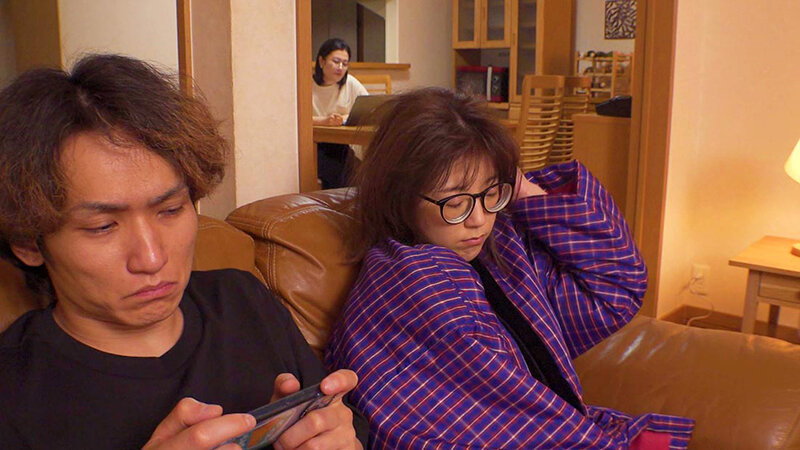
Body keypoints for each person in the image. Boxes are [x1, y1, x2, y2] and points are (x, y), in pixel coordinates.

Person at [0, 54, 367, 449]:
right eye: (102, 227)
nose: (152, 258)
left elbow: (331, 423)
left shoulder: (242, 298)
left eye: (171, 210)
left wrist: (339, 439)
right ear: (29, 241)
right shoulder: (13, 394)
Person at [325, 88, 695, 448]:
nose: (479, 220)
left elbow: (616, 288)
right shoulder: (409, 281)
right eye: (455, 202)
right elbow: (486, 423)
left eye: (491, 193)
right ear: (401, 195)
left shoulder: (499, 247)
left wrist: (521, 188)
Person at [312, 37, 368, 189]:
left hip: (343, 145)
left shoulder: (350, 82)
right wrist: (325, 121)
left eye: (345, 63)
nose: (340, 67)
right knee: (340, 167)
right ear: (322, 61)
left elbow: (369, 109)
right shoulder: (307, 85)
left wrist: (344, 118)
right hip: (314, 146)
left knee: (350, 163)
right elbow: (297, 119)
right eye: (336, 61)